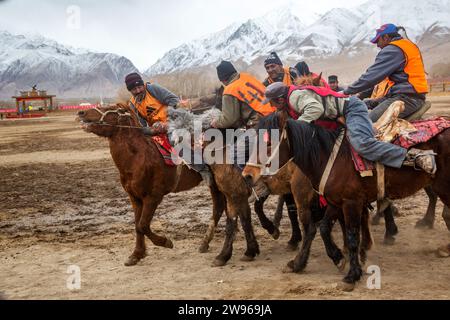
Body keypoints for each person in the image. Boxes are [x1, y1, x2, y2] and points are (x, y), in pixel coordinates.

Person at [264, 82, 437, 174]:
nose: (271, 106)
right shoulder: (290, 100)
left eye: (272, 102)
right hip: (341, 113)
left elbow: (315, 109)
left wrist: (297, 127)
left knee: (361, 143)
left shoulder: (294, 97)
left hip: (352, 109)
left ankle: (413, 156)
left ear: (279, 99)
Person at [125, 72, 213, 185]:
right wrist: (153, 130)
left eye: (139, 87)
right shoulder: (132, 105)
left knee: (176, 142)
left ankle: (203, 169)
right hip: (158, 130)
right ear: (130, 91)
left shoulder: (152, 89)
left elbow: (174, 100)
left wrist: (168, 123)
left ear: (143, 85)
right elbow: (141, 127)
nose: (138, 91)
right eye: (134, 89)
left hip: (175, 120)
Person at [211, 60, 276, 201]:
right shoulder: (246, 77)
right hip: (275, 115)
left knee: (236, 154)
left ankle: (259, 185)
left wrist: (216, 122)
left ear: (222, 79)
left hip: (261, 124)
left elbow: (230, 119)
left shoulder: (229, 90)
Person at [344, 24, 428, 122]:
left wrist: (346, 92)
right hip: (408, 95)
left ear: (386, 37)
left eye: (378, 40)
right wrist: (360, 96)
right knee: (366, 103)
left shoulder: (392, 50)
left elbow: (371, 76)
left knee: (365, 124)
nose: (377, 45)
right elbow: (379, 81)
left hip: (406, 98)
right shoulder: (407, 46)